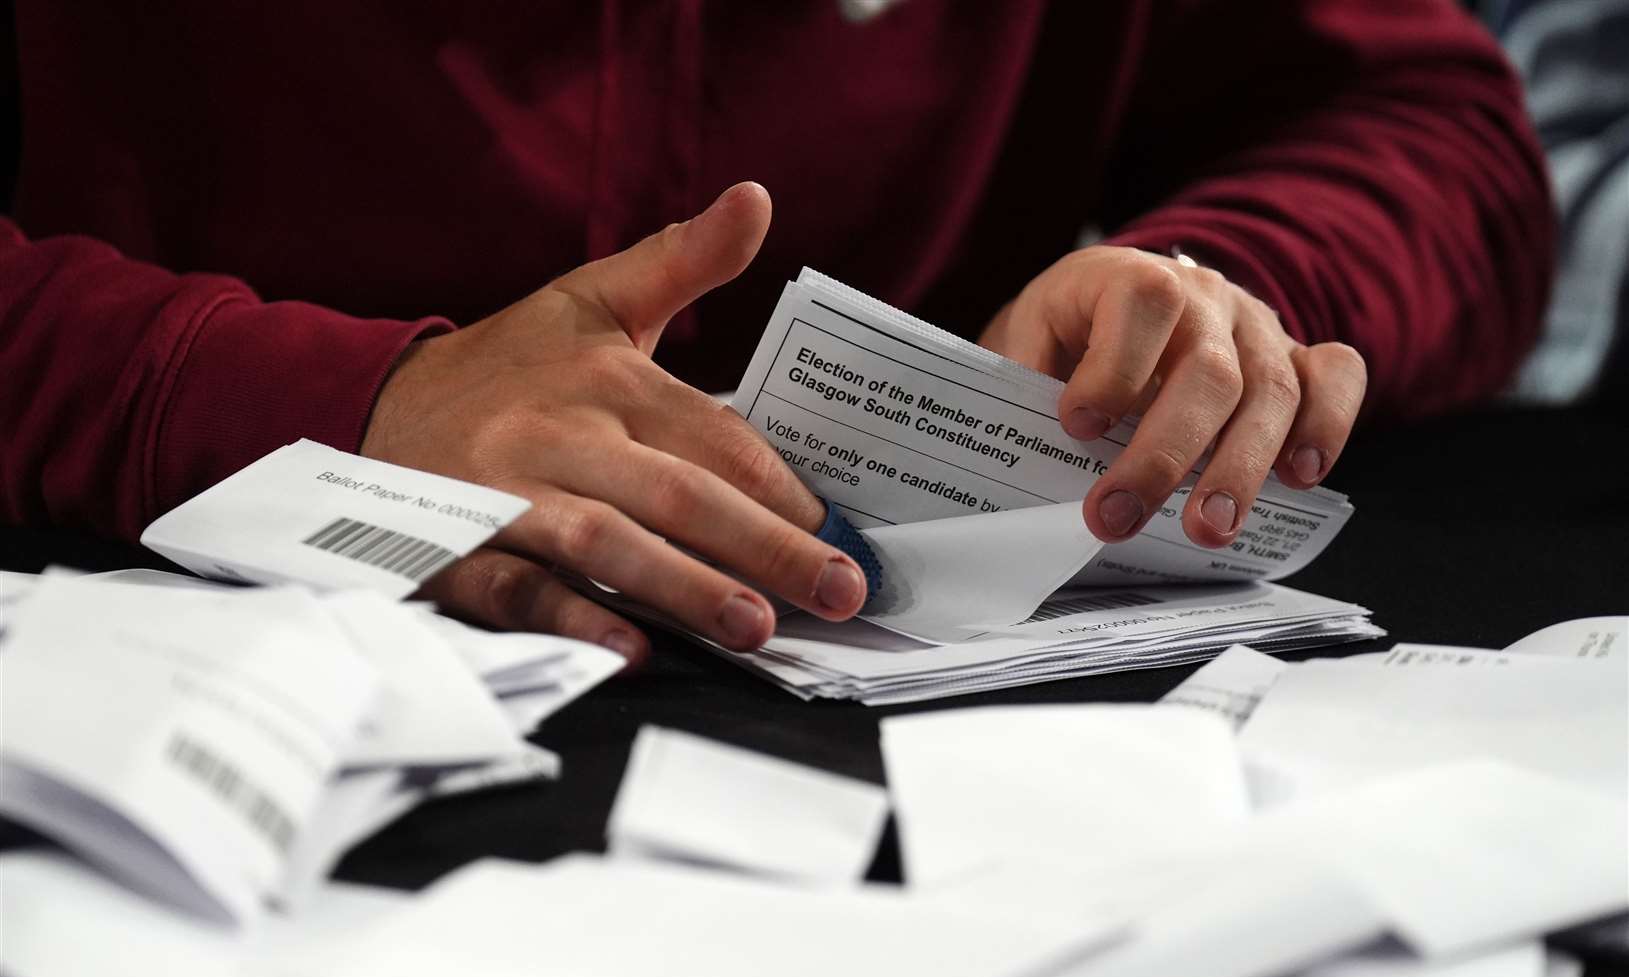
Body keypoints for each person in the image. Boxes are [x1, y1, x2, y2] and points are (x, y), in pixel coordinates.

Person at [0, 2, 1554, 665]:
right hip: (150, 669)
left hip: (921, 711)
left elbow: (1427, 125)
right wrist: (320, 407)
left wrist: (1202, 304)